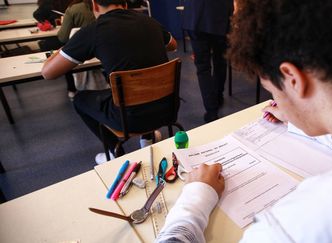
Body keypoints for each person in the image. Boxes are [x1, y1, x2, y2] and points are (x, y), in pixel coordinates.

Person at [156, 0, 332, 242]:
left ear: (292, 79)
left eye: (273, 91)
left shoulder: (300, 224)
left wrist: (195, 200)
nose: (275, 98)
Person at [41, 0, 177, 164]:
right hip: (167, 109)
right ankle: (147, 139)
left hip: (130, 120)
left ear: (95, 5)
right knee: (141, 80)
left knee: (80, 100)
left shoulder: (93, 31)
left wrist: (68, 48)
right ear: (125, 4)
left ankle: (114, 151)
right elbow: (173, 45)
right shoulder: (150, 22)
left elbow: (48, 73)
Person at [183, 0, 234, 123]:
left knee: (203, 68)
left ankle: (211, 112)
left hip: (196, 14)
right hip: (220, 13)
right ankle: (218, 96)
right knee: (220, 61)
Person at [57, 0, 96, 99]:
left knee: (65, 53)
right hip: (104, 52)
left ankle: (72, 89)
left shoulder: (74, 8)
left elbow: (63, 37)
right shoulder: (108, 6)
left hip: (82, 53)